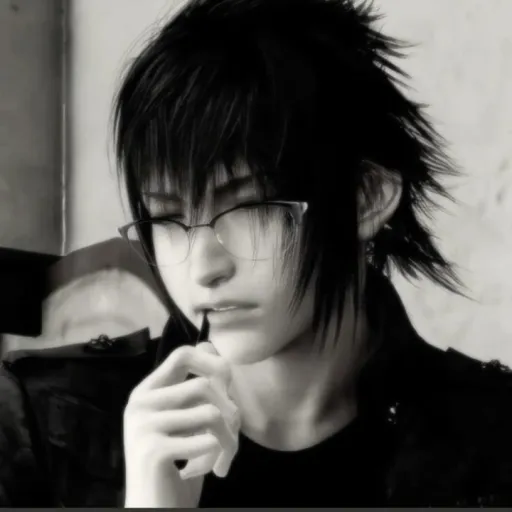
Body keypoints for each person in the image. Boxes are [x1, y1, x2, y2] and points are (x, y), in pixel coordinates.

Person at [1, 0, 512, 507]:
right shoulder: (42, 423)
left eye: (249, 208)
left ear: (365, 198)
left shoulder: (492, 439)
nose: (203, 267)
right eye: (168, 218)